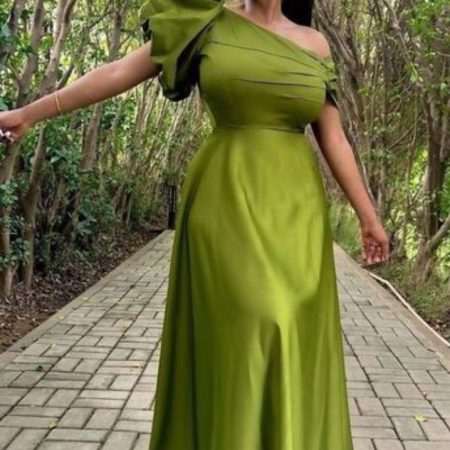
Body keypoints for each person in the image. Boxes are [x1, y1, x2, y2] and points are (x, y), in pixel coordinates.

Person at [0, 0, 390, 448]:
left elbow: (334, 137)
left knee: (288, 328)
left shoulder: (316, 44)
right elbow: (117, 72)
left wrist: (368, 217)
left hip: (297, 212)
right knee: (253, 324)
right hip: (225, 200)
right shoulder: (204, 23)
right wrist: (28, 114)